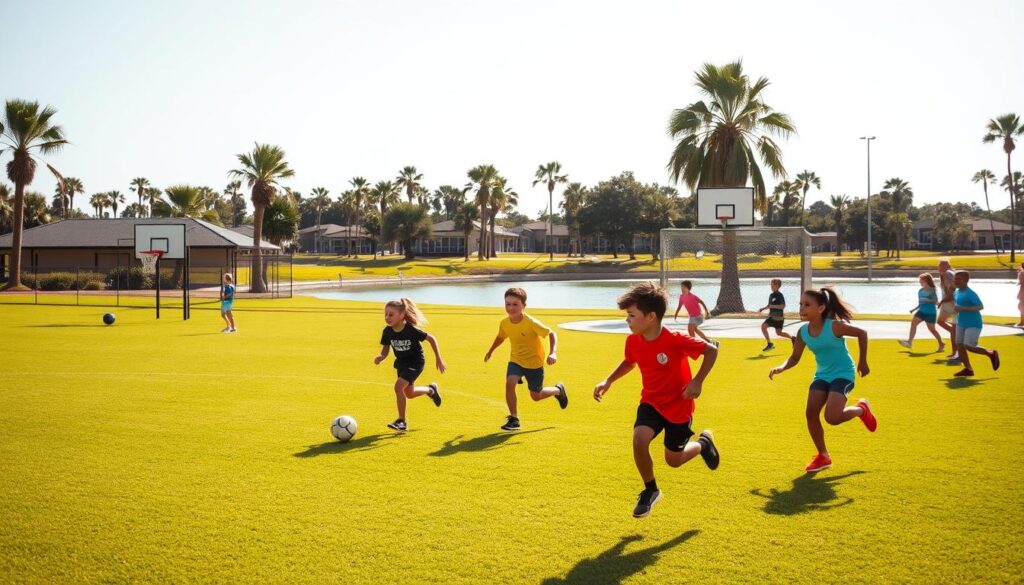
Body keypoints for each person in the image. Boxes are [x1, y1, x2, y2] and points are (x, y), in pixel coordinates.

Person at [593, 282, 720, 518]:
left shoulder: (675, 339)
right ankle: (650, 490)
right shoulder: (633, 341)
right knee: (639, 440)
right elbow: (629, 362)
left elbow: (711, 351)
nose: (627, 320)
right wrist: (608, 380)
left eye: (631, 315)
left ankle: (703, 443)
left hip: (679, 406)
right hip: (651, 402)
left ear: (651, 316)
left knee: (674, 460)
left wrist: (698, 381)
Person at [769, 287, 877, 473]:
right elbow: (794, 358)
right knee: (811, 413)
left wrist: (863, 361)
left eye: (807, 305)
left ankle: (861, 409)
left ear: (820, 309)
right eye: (801, 304)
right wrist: (781, 367)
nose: (802, 308)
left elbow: (862, 333)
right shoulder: (803, 332)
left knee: (832, 418)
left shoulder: (834, 326)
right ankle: (823, 456)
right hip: (822, 375)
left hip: (843, 373)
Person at [484, 287, 567, 432]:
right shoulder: (504, 323)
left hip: (534, 363)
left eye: (515, 304)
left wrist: (553, 352)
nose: (511, 308)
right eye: (507, 304)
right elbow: (500, 336)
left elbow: (551, 333)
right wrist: (490, 351)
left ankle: (558, 390)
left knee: (536, 396)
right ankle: (514, 419)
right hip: (516, 360)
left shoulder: (531, 322)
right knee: (510, 383)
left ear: (524, 305)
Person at [374, 298, 445, 432]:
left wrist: (438, 358)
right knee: (409, 394)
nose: (387, 317)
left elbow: (431, 339)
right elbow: (385, 349)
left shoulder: (410, 330)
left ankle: (402, 421)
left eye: (391, 314)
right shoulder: (387, 331)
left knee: (398, 386)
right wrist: (381, 357)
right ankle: (431, 390)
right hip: (402, 364)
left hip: (416, 362)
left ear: (401, 315)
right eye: (386, 314)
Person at [952, 270, 1000, 377]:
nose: (955, 281)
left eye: (958, 279)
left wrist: (962, 308)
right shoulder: (956, 292)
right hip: (961, 322)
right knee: (959, 345)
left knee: (968, 346)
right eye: (955, 278)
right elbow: (958, 305)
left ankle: (991, 353)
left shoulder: (970, 293)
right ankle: (968, 369)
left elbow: (980, 306)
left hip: (973, 323)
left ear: (965, 280)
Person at [898, 273, 944, 352]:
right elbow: (920, 303)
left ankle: (941, 344)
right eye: (920, 281)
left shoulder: (931, 290)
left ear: (926, 281)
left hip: (930, 313)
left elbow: (935, 301)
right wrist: (914, 309)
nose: (920, 282)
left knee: (932, 330)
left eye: (921, 281)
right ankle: (910, 342)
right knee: (913, 323)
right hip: (921, 311)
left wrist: (928, 300)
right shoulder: (920, 291)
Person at [673, 280, 717, 347]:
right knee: (694, 329)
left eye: (683, 287)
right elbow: (679, 305)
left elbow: (701, 302)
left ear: (688, 288)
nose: (682, 288)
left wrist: (706, 311)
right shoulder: (681, 297)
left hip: (698, 316)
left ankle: (694, 344)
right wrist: (676, 313)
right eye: (681, 287)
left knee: (690, 329)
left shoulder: (693, 296)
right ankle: (708, 341)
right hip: (692, 317)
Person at [757, 278, 792, 351]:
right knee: (763, 326)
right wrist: (763, 309)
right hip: (772, 318)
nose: (771, 287)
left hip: (779, 318)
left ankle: (793, 338)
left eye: (773, 285)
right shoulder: (771, 295)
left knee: (779, 333)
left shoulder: (780, 295)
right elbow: (769, 305)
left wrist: (773, 306)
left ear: (778, 286)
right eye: (771, 285)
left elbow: (783, 306)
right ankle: (769, 344)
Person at [936, 260, 959, 361]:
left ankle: (955, 353)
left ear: (945, 266)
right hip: (947, 303)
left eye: (940, 265)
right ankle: (953, 333)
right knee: (940, 321)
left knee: (951, 327)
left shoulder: (948, 273)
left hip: (951, 303)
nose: (938, 267)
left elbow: (953, 288)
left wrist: (943, 300)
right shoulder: (945, 273)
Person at [1015, 262, 1024, 328]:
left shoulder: (1022, 273)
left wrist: (1019, 272)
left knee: (1021, 306)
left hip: (1023, 292)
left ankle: (1022, 322)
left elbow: (1019, 282)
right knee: (1021, 306)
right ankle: (1022, 322)